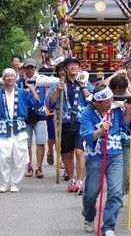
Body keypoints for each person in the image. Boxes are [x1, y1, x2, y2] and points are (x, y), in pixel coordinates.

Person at [80, 85, 131, 236]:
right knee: (91, 193)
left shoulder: (116, 109)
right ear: (96, 102)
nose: (109, 103)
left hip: (115, 154)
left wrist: (128, 112)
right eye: (105, 101)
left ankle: (108, 226)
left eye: (110, 99)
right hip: (96, 156)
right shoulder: (87, 112)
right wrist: (101, 130)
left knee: (116, 192)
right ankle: (89, 216)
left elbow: (125, 125)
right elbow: (87, 134)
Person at [0, 68, 41, 192]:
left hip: (19, 128)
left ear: (15, 78)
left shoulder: (23, 93)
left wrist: (33, 90)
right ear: (3, 79)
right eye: (7, 76)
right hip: (3, 129)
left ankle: (14, 183)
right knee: (3, 157)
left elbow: (36, 103)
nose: (9, 78)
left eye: (12, 76)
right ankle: (3, 182)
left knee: (19, 157)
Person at [46, 57, 93, 193]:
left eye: (75, 65)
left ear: (79, 68)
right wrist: (57, 91)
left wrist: (83, 87)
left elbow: (92, 100)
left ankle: (80, 181)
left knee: (79, 152)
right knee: (66, 154)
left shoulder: (84, 83)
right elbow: (50, 104)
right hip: (65, 121)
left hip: (81, 122)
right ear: (65, 68)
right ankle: (71, 179)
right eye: (70, 65)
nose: (73, 67)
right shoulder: (59, 84)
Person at [16, 58, 48, 178]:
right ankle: (29, 166)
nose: (29, 70)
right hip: (24, 116)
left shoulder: (41, 81)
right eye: (27, 68)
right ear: (23, 69)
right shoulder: (18, 82)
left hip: (39, 115)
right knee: (26, 143)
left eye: (32, 67)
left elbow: (41, 100)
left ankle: (39, 167)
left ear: (35, 68)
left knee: (40, 141)